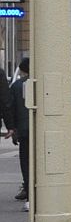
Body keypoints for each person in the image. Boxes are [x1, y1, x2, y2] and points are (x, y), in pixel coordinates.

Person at [1, 58, 30, 202]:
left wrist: (13, 127)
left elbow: (9, 105)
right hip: (30, 128)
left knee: (25, 160)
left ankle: (27, 186)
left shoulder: (17, 86)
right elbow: (5, 102)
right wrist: (10, 126)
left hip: (23, 129)